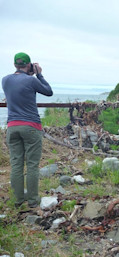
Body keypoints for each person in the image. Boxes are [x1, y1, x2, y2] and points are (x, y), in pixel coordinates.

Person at [2, 52, 53, 208]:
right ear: (29, 64)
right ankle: (32, 200)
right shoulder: (32, 81)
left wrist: (30, 72)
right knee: (31, 164)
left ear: (14, 64)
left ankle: (18, 200)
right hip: (31, 126)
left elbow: (17, 84)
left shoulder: (5, 80)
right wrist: (39, 74)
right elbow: (48, 92)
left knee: (16, 164)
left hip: (12, 126)